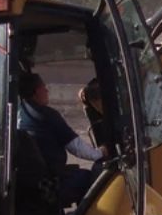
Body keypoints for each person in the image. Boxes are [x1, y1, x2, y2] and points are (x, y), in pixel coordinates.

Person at [17, 72, 106, 207]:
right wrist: (99, 153)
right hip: (48, 185)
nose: (47, 90)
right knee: (92, 178)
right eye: (43, 87)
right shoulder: (46, 115)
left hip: (30, 182)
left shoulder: (21, 112)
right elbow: (75, 146)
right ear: (36, 92)